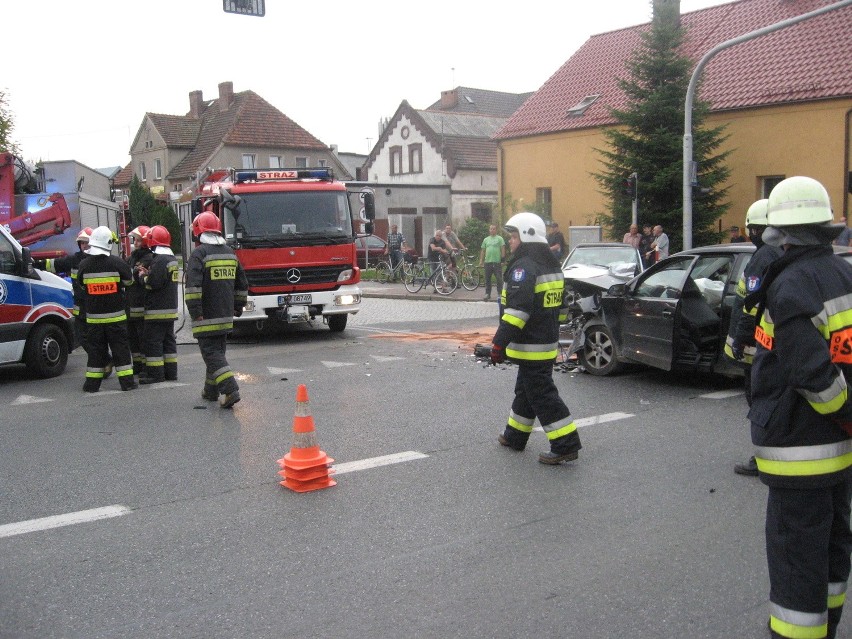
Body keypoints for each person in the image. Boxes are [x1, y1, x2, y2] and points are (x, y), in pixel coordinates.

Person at [744, 176, 852, 639]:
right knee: (832, 543)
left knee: (795, 559)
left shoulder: (791, 286)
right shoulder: (843, 273)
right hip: (839, 450)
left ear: (783, 234)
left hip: (801, 447)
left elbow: (812, 376)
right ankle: (827, 625)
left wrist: (845, 413)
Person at [491, 212, 582, 465]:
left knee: (541, 394)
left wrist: (499, 343)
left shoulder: (523, 268)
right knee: (526, 389)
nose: (510, 241)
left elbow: (517, 312)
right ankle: (515, 436)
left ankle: (566, 444)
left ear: (527, 235)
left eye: (513, 236)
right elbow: (562, 309)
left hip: (530, 344)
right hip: (545, 341)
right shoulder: (551, 264)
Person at [723, 200, 782, 476]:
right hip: (771, 342)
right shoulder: (781, 252)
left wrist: (741, 338)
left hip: (758, 344)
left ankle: (763, 459)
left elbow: (751, 303)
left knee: (759, 402)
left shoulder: (762, 257)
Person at [185, 212, 248, 408]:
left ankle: (230, 390)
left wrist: (196, 312)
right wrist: (238, 306)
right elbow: (242, 284)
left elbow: (193, 288)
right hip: (225, 315)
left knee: (211, 354)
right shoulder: (230, 253)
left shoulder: (199, 254)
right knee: (217, 352)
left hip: (206, 316)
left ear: (197, 231)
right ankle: (210, 391)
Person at [77, 226, 137, 392]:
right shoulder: (117, 263)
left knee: (96, 353)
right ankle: (127, 383)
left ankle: (91, 386)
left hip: (94, 320)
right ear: (108, 243)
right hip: (116, 319)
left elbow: (81, 285)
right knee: (121, 351)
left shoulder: (84, 264)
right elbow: (129, 282)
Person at [42, 227, 94, 358]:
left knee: (97, 339)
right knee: (82, 338)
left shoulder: (99, 260)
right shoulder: (74, 260)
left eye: (87, 242)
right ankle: (103, 360)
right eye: (82, 243)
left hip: (96, 307)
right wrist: (34, 265)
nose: (85, 245)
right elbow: (54, 264)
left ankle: (102, 361)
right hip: (81, 308)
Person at [137, 226, 179, 384]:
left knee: (153, 342)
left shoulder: (159, 260)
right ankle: (171, 373)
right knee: (168, 342)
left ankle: (156, 374)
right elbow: (164, 280)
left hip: (156, 310)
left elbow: (153, 283)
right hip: (169, 310)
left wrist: (142, 276)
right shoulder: (171, 259)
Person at [125, 225, 153, 375]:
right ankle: (137, 366)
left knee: (143, 339)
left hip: (141, 307)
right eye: (134, 240)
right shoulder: (131, 258)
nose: (134, 243)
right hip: (130, 306)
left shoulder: (148, 258)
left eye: (137, 240)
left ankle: (145, 367)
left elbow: (136, 277)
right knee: (133, 339)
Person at [479, 224, 506, 302]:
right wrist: (481, 260)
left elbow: (503, 249)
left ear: (496, 230)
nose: (492, 230)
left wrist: (503, 260)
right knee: (487, 279)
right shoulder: (486, 239)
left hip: (497, 262)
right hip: (488, 262)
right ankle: (487, 294)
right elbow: (483, 250)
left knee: (499, 278)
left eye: (494, 229)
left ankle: (500, 293)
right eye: (491, 229)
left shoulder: (500, 239)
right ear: (489, 230)